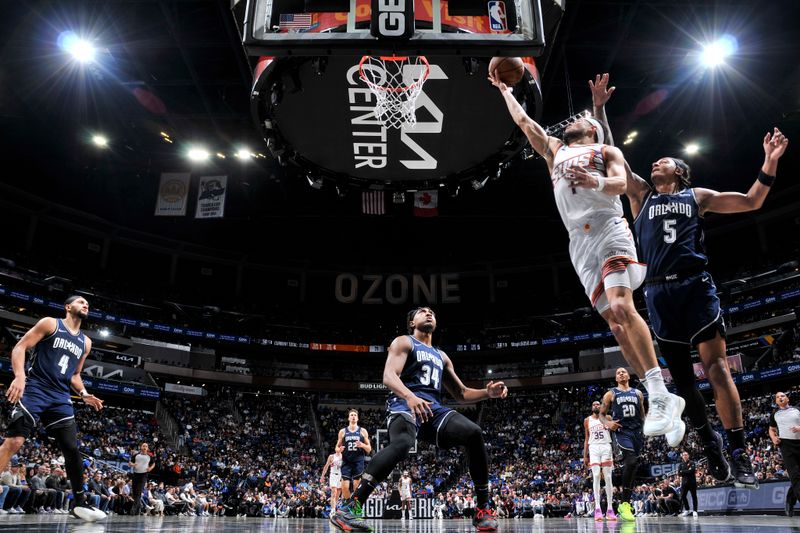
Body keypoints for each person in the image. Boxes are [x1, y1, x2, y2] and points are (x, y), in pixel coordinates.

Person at [491, 72, 685, 440]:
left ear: (593, 130)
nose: (572, 120)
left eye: (581, 118)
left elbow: (621, 184)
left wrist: (594, 180)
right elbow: (523, 122)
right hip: (578, 245)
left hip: (609, 228)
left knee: (623, 306)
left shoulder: (605, 151)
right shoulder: (554, 151)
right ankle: (664, 400)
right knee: (614, 323)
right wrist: (504, 90)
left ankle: (660, 394)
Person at [622, 124, 788, 487]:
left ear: (679, 170)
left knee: (716, 369)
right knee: (683, 385)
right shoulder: (641, 197)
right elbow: (613, 157)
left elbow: (752, 200)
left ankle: (739, 451)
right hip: (656, 293)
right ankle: (710, 443)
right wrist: (600, 110)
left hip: (695, 286)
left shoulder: (697, 196)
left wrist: (769, 161)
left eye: (662, 161)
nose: (654, 163)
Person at [329, 307, 508, 532]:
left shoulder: (441, 356)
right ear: (412, 322)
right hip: (403, 403)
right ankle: (350, 507)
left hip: (433, 409)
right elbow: (388, 376)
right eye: (422, 312)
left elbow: (461, 393)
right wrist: (410, 396)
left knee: (474, 433)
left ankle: (483, 509)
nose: (428, 313)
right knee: (403, 443)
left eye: (431, 311)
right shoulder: (404, 342)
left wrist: (486, 393)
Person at [0, 296, 106, 521]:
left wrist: (84, 394)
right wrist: (20, 376)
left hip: (60, 397)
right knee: (15, 441)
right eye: (80, 302)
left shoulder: (86, 342)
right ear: (68, 307)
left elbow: (75, 374)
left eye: (88, 303)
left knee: (71, 448)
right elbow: (20, 347)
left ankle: (79, 503)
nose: (85, 305)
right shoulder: (50, 323)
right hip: (36, 388)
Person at [600, 367, 643, 521]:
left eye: (623, 371)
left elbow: (642, 414)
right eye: (618, 373)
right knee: (630, 461)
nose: (621, 374)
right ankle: (624, 504)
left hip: (637, 432)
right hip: (622, 431)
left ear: (628, 376)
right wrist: (608, 424)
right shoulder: (611, 393)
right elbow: (601, 415)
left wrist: (646, 428)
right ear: (616, 378)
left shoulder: (638, 394)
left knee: (634, 465)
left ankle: (625, 503)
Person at [583, 400, 616, 522]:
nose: (596, 405)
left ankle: (610, 509)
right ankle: (597, 509)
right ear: (592, 407)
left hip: (606, 446)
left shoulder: (607, 417)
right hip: (594, 448)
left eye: (598, 404)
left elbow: (614, 433)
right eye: (594, 404)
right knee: (596, 475)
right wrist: (585, 455)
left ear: (601, 406)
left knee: (608, 477)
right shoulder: (587, 420)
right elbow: (586, 438)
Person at [769, 391, 800, 516]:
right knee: (795, 475)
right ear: (776, 402)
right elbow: (771, 429)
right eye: (777, 397)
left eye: (782, 396)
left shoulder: (797, 410)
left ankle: (790, 499)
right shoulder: (774, 414)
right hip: (786, 446)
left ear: (787, 398)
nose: (780, 398)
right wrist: (773, 438)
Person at [335, 410, 372, 502]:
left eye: (355, 415)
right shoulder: (342, 431)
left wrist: (362, 445)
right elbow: (336, 447)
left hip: (358, 461)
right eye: (351, 415)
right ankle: (348, 504)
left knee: (356, 486)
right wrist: (339, 450)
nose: (353, 416)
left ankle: (356, 507)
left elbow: (369, 449)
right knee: (344, 487)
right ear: (348, 418)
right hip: (346, 461)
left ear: (358, 418)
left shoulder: (363, 431)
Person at [129, 442, 155, 515]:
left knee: (138, 492)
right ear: (141, 447)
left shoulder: (149, 456)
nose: (144, 447)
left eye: (146, 446)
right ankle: (138, 509)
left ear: (147, 448)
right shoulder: (136, 455)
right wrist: (133, 464)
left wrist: (150, 468)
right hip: (135, 474)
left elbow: (153, 463)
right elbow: (130, 463)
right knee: (135, 493)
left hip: (143, 475)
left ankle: (133, 510)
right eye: (143, 446)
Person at [320, 445, 344, 512]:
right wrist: (322, 476)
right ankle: (332, 510)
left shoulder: (343, 456)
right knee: (334, 492)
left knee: (338, 494)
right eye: (338, 447)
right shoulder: (331, 456)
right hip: (333, 475)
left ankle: (334, 507)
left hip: (341, 476)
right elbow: (326, 466)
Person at [678, 451, 698, 517]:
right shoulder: (681, 464)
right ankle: (687, 509)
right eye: (684, 455)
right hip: (684, 483)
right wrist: (687, 471)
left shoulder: (692, 463)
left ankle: (695, 511)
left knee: (694, 496)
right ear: (682, 456)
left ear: (688, 456)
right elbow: (679, 473)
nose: (685, 456)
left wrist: (683, 471)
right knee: (683, 496)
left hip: (692, 482)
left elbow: (692, 471)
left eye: (686, 455)